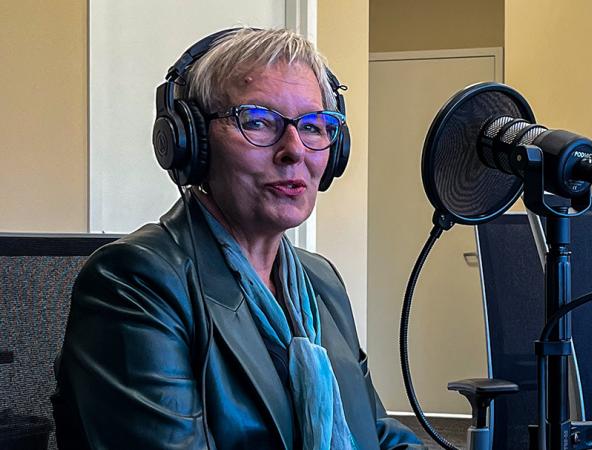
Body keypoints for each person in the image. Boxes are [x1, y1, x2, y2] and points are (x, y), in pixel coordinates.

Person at [52, 27, 425, 449]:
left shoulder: (321, 282)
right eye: (258, 121)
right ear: (191, 142)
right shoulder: (134, 281)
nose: (294, 150)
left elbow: (375, 432)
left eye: (315, 126)